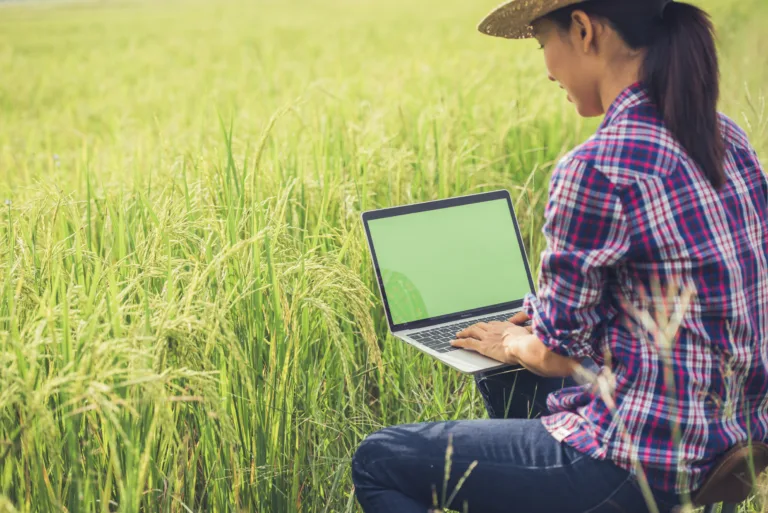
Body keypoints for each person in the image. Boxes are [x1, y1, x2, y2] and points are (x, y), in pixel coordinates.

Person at [351, 0, 768, 511]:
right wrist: (535, 323)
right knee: (519, 384)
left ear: (583, 30)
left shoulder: (596, 166)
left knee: (378, 458)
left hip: (640, 460)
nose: (547, 69)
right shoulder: (727, 136)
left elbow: (557, 353)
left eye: (543, 43)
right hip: (731, 437)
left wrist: (512, 341)